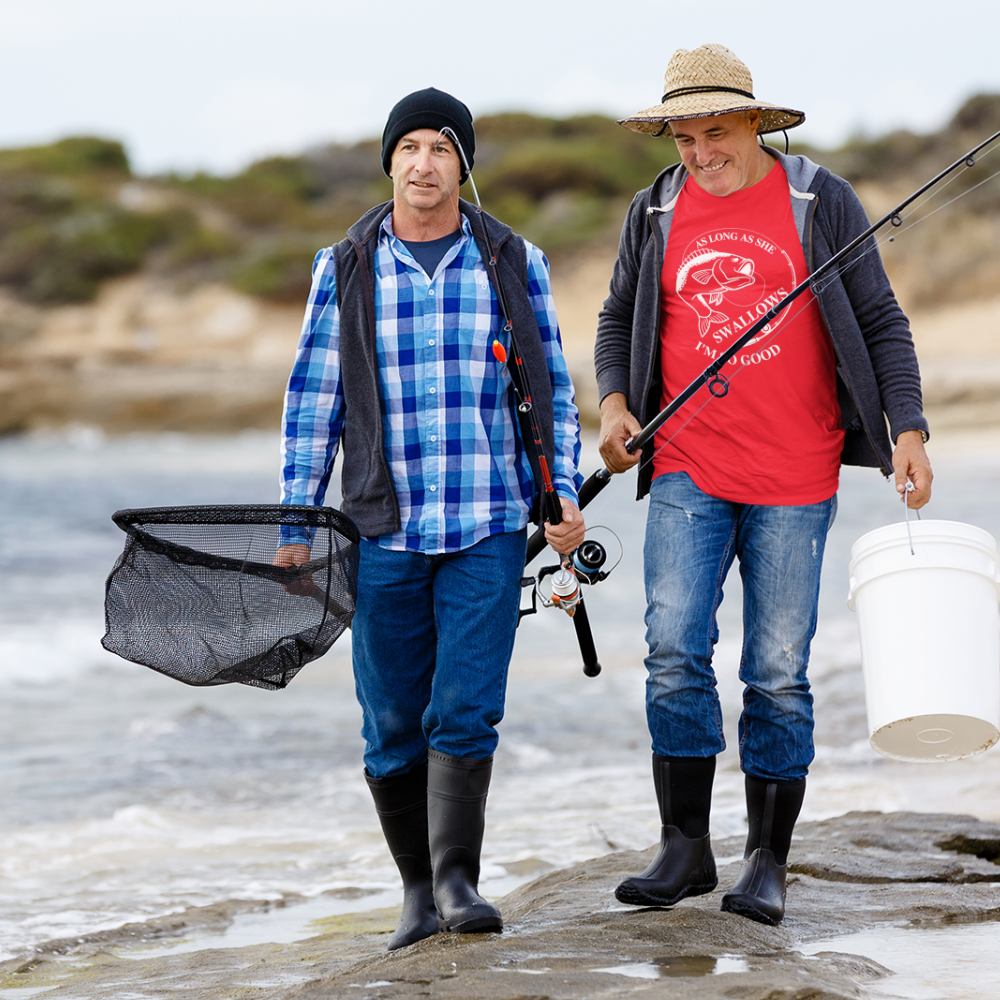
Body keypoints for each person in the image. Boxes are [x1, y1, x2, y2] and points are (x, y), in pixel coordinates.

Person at [594, 44, 932, 926]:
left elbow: (881, 320)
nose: (701, 152)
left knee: (777, 670)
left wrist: (907, 428)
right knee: (673, 651)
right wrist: (616, 403)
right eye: (684, 137)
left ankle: (767, 862)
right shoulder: (654, 208)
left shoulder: (819, 199)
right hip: (687, 467)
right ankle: (684, 849)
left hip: (795, 472)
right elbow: (618, 314)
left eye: (717, 131)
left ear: (754, 121)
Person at [275, 88, 585, 949]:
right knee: (390, 720)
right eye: (409, 147)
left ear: (462, 166)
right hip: (382, 531)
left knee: (467, 710)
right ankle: (416, 892)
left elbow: (553, 392)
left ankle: (457, 881)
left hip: (489, 525)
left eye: (441, 149)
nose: (424, 164)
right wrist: (297, 525)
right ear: (390, 162)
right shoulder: (344, 266)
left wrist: (558, 491)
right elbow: (313, 405)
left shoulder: (513, 259)